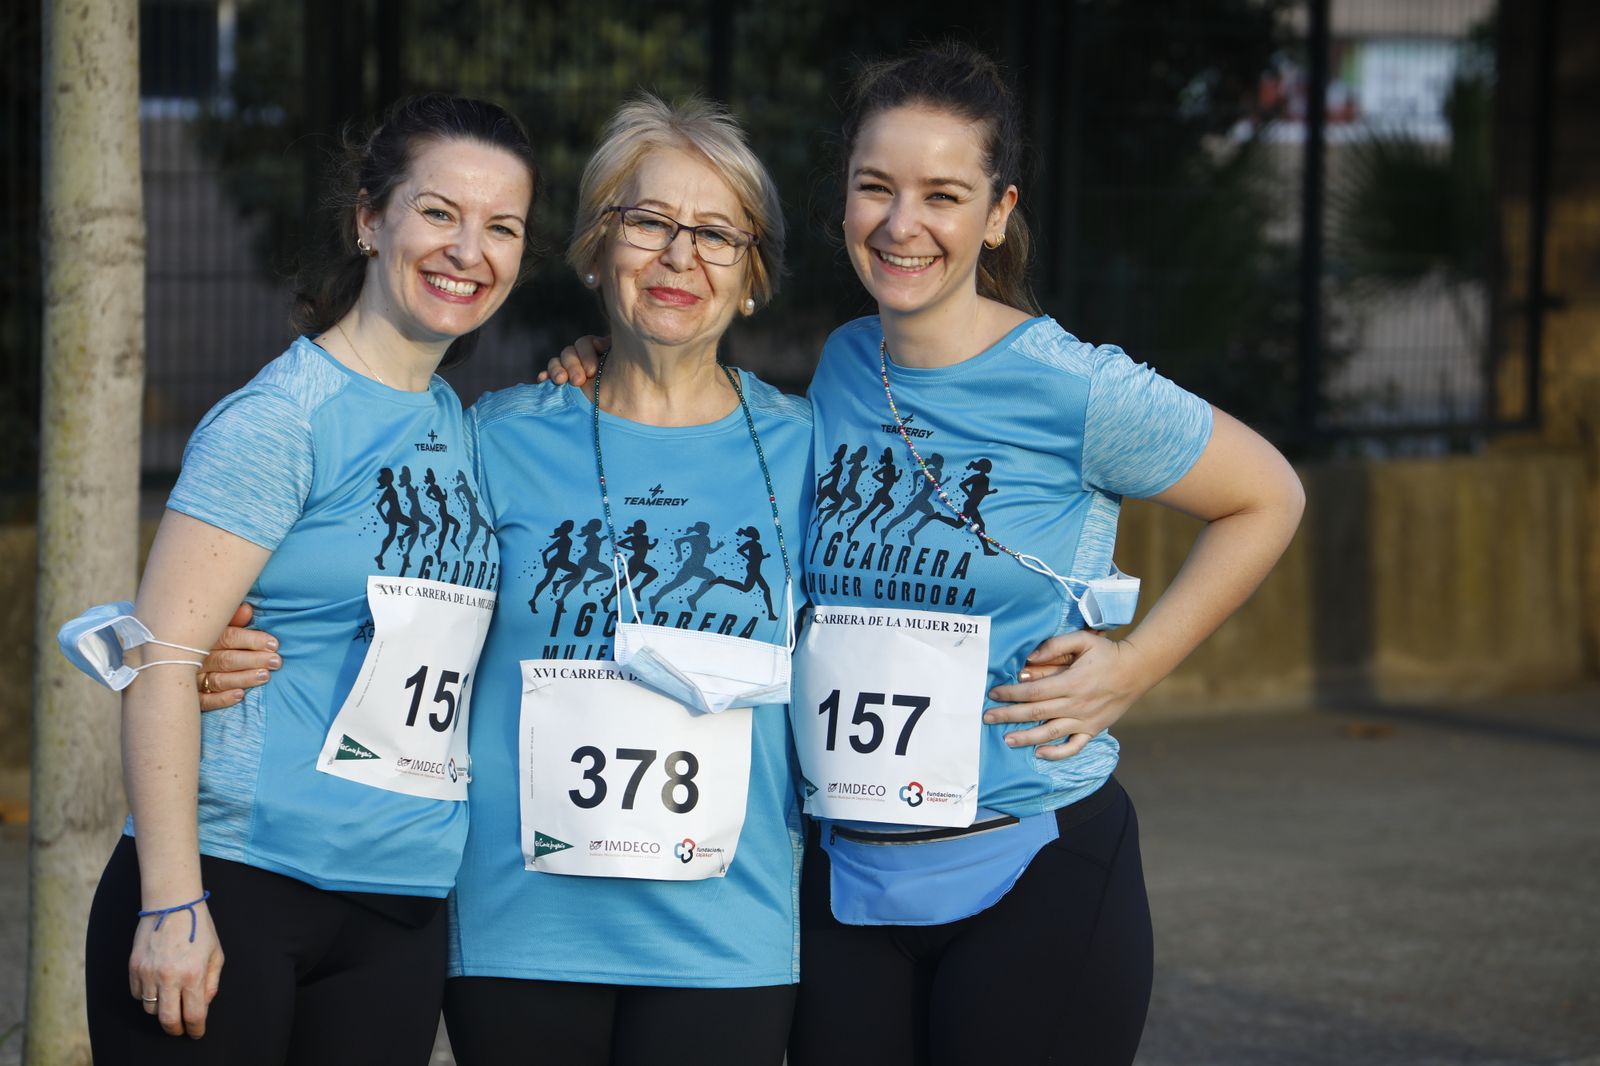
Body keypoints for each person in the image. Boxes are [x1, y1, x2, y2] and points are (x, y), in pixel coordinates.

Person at [539, 41, 1304, 1066]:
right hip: (850, 880)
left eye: (943, 195)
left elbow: (1267, 495)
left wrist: (1133, 665)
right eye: (875, 188)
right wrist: (604, 362)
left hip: (1032, 862)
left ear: (997, 212)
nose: (903, 225)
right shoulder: (849, 362)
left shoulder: (1073, 386)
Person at [81, 93, 538, 1063]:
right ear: (370, 218)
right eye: (440, 213)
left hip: (398, 911)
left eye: (502, 226)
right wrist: (171, 899)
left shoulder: (465, 427)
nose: (470, 249)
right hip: (235, 884)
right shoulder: (280, 419)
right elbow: (158, 659)